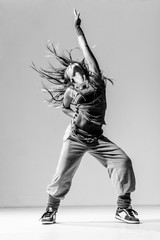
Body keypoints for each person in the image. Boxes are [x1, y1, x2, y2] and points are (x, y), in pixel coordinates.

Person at [33, 9, 139, 224]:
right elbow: (65, 108)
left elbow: (87, 51)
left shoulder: (96, 79)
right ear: (69, 78)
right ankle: (50, 210)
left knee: (123, 162)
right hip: (75, 137)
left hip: (96, 138)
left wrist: (78, 29)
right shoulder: (71, 91)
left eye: (75, 64)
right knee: (62, 175)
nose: (73, 65)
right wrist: (73, 115)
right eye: (70, 69)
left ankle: (123, 209)